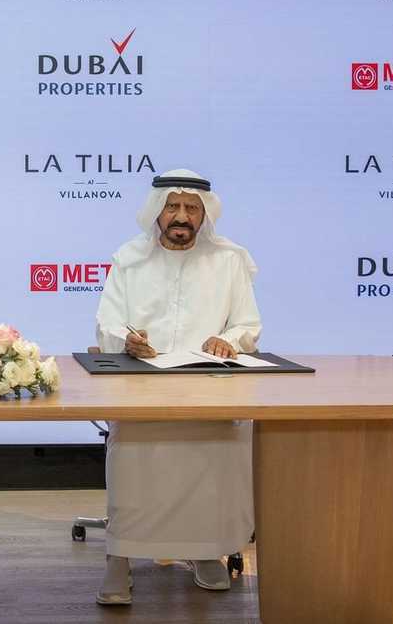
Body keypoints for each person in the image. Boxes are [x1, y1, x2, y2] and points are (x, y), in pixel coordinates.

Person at [94, 168, 262, 604]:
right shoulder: (129, 259)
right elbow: (107, 322)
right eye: (173, 206)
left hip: (209, 383)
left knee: (213, 460)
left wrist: (228, 340)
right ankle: (119, 557)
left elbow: (247, 323)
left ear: (205, 215)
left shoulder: (229, 260)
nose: (182, 216)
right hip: (141, 384)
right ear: (158, 210)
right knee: (134, 462)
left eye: (191, 208)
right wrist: (127, 340)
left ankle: (206, 550)